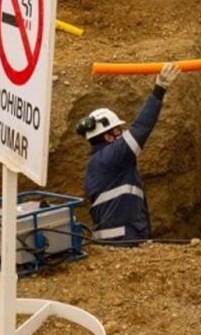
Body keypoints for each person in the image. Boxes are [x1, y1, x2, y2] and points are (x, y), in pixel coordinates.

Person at [77, 63, 181, 244]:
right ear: (108, 137)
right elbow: (141, 128)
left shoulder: (98, 163)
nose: (122, 134)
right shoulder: (111, 156)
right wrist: (159, 89)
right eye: (118, 131)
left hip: (117, 240)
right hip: (124, 241)